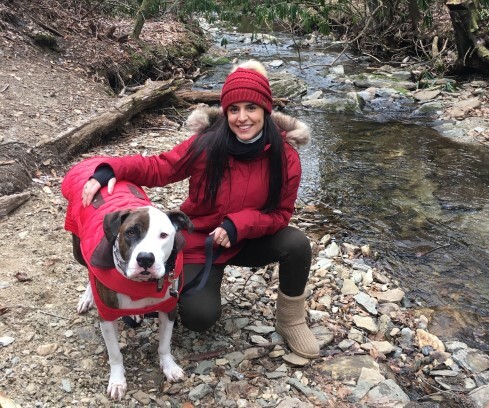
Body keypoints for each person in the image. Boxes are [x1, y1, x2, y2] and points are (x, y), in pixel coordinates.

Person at [81, 60, 319, 359]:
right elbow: (160, 167)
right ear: (226, 111)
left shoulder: (286, 156)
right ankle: (154, 303)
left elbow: (281, 215)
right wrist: (110, 168)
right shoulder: (207, 144)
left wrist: (239, 225)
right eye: (234, 109)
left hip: (248, 240)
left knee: (296, 243)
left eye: (251, 108)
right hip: (201, 244)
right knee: (199, 318)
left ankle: (291, 321)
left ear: (266, 110)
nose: (242, 118)